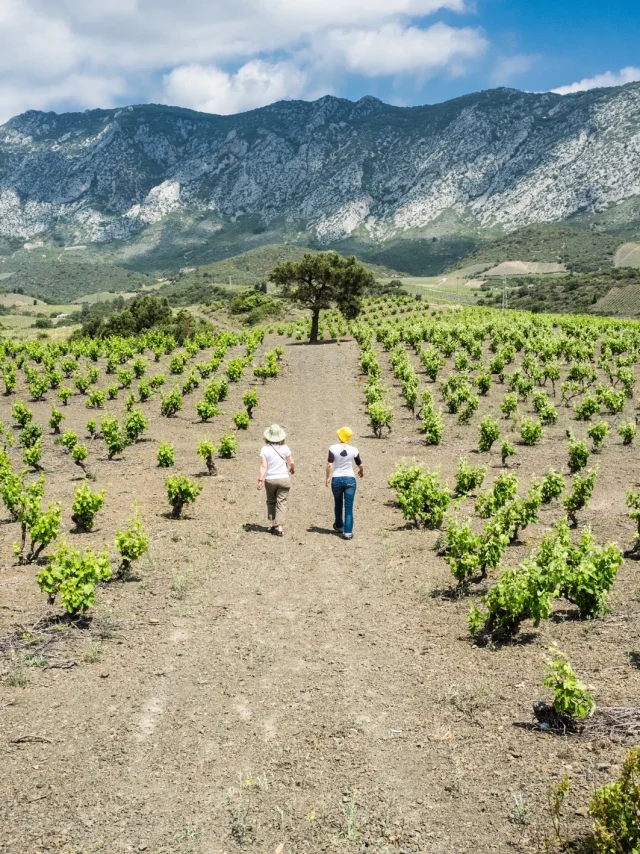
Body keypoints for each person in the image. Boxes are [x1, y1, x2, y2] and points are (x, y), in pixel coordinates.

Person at [326, 426, 363, 540]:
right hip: (350, 480)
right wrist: (361, 471)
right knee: (349, 506)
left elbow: (329, 464)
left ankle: (339, 525)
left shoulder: (332, 448)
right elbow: (359, 464)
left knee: (338, 503)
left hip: (336, 479)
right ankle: (348, 532)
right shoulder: (354, 450)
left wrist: (327, 477)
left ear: (340, 436)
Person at [257, 424, 294, 536]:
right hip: (284, 479)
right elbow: (291, 462)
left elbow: (263, 466)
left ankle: (272, 524)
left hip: (270, 480)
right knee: (281, 502)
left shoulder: (264, 449)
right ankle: (280, 527)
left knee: (271, 501)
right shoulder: (285, 448)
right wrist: (292, 469)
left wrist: (260, 479)